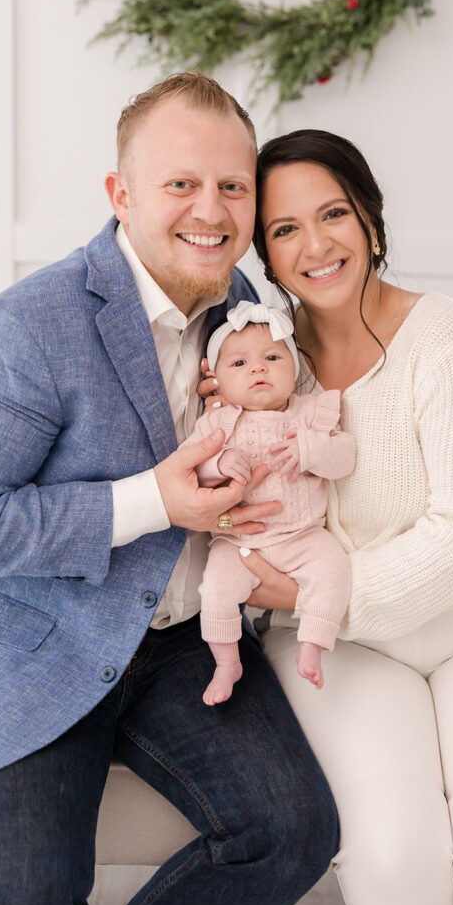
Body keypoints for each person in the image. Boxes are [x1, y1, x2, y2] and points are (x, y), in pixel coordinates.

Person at [0, 79, 339, 905]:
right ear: (120, 194)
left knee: (290, 832)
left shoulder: (250, 313)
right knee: (18, 903)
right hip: (34, 637)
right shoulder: (26, 326)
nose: (209, 212)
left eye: (232, 187)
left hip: (183, 641)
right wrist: (153, 502)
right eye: (180, 183)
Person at [223, 127, 453, 905]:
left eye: (334, 214)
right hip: (340, 648)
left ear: (371, 223)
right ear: (265, 256)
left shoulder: (444, 336)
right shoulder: (262, 367)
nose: (315, 244)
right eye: (284, 230)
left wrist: (304, 595)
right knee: (392, 861)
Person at [185, 300, 356, 704]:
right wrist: (220, 460)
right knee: (216, 589)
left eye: (272, 357)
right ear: (218, 383)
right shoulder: (217, 422)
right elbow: (194, 469)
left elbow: (345, 457)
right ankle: (227, 661)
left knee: (333, 569)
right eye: (239, 363)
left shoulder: (311, 415)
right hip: (237, 543)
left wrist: (311, 452)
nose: (258, 368)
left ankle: (313, 642)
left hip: (303, 536)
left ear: (295, 369)